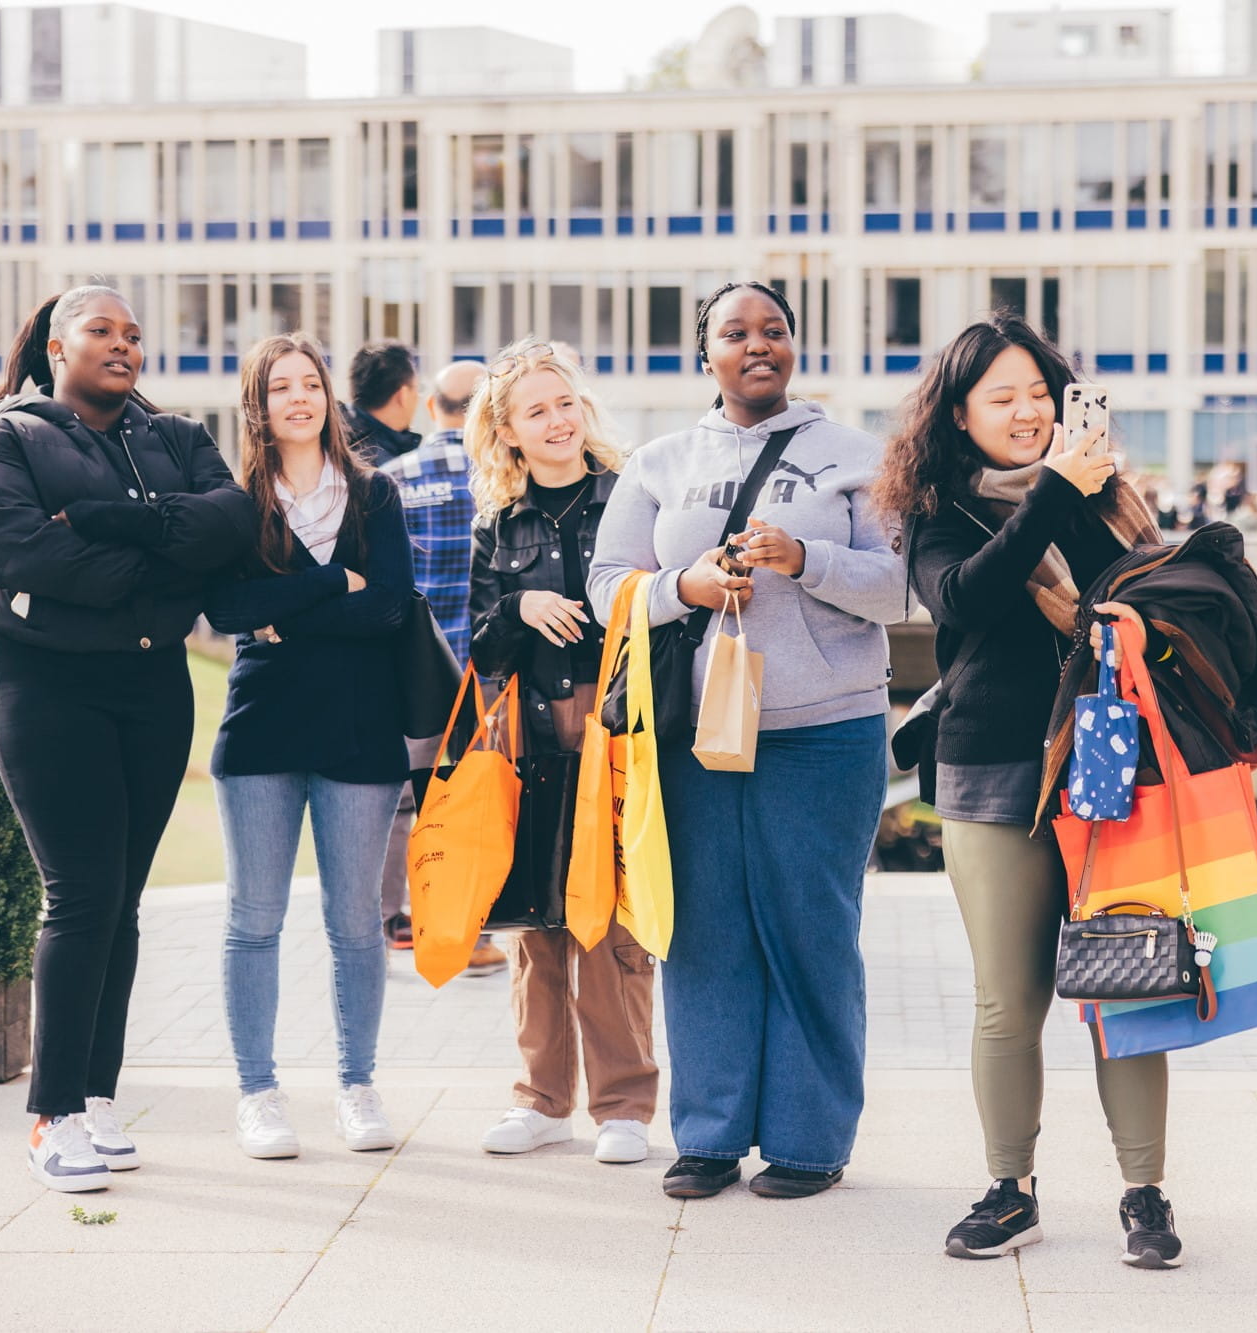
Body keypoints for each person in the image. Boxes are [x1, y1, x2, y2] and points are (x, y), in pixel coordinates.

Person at [872, 311, 1184, 1268]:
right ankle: (1010, 1190)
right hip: (992, 764)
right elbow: (963, 597)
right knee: (1008, 999)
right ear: (958, 415)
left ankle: (1144, 1193)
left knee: (1123, 984)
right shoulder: (935, 508)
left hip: (1109, 767)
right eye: (1000, 397)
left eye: (1039, 395)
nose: (1024, 411)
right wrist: (1053, 491)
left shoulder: (1109, 500)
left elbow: (1163, 603)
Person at [588, 281, 904, 1200]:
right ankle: (710, 1135)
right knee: (704, 933)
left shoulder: (856, 456)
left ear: (794, 347)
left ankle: (809, 1140)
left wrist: (806, 561)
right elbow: (612, 582)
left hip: (824, 731)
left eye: (773, 330)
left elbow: (902, 589)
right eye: (735, 332)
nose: (756, 344)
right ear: (707, 353)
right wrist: (684, 584)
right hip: (692, 736)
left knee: (811, 931)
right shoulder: (657, 461)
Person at [0, 285, 255, 1192]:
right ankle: (51, 1112)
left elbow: (232, 524)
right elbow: (17, 553)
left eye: (133, 334)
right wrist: (161, 568)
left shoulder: (178, 438)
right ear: (57, 345)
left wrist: (101, 529)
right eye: (102, 331)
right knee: (81, 893)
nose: (123, 345)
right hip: (48, 683)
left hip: (152, 685)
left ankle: (94, 1093)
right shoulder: (5, 434)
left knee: (120, 898)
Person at [204, 333, 415, 1159]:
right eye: (279, 387)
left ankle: (356, 1085)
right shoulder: (234, 502)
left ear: (329, 397)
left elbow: (392, 608)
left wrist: (280, 612)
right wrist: (330, 583)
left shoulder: (374, 495)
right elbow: (223, 609)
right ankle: (257, 1092)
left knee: (355, 922)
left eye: (310, 384)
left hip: (360, 727)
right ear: (255, 406)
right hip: (261, 725)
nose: (298, 398)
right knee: (252, 919)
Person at [466, 337, 659, 1164]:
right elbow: (480, 647)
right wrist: (519, 604)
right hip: (530, 749)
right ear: (506, 431)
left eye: (564, 403)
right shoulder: (497, 526)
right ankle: (542, 1100)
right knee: (534, 930)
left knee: (610, 931)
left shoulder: (630, 496)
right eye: (535, 410)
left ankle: (623, 1106)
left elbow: (660, 612)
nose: (555, 419)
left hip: (614, 741)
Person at [379, 359, 506, 975]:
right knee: (475, 806)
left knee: (410, 804)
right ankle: (474, 934)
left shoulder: (389, 479)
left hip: (413, 676)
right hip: (487, 678)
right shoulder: (501, 478)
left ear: (432, 406)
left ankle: (397, 920)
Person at [340, 338, 421, 466]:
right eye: (417, 390)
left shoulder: (333, 436)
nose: (418, 398)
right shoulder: (386, 464)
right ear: (403, 395)